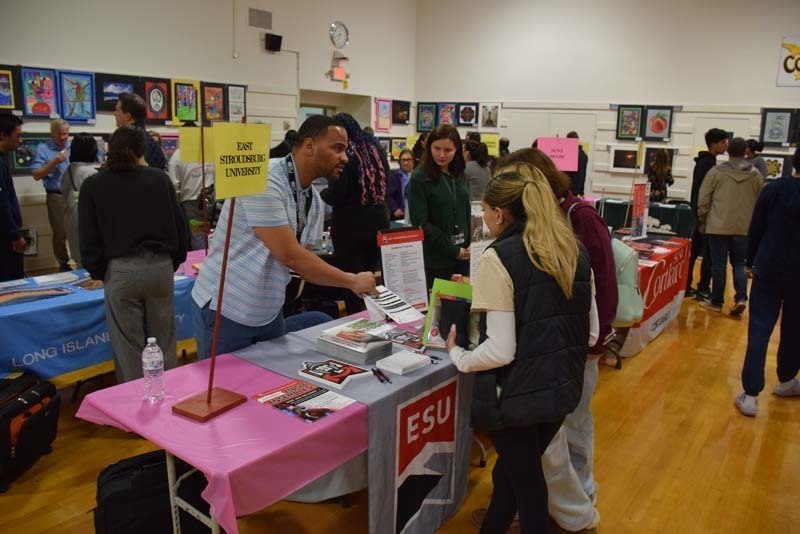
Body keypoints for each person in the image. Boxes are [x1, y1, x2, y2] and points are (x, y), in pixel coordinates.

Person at [446, 162, 593, 533]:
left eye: (485, 212)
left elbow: (499, 351)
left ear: (499, 212)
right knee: (511, 480)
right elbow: (589, 334)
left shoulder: (500, 258)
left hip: (513, 397)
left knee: (526, 488)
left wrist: (457, 355)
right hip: (561, 391)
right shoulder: (573, 250)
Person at [191, 115, 377, 359]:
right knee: (228, 392)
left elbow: (304, 265)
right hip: (227, 310)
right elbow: (290, 255)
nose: (345, 157)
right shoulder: (263, 179)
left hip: (268, 312)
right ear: (309, 146)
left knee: (267, 390)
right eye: (337, 148)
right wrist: (351, 281)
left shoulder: (315, 202)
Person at [498, 148, 613, 531]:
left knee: (573, 434)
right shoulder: (541, 222)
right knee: (550, 442)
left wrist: (591, 347)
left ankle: (580, 510)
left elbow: (603, 285)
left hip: (577, 349)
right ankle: (564, 509)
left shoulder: (580, 217)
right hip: (555, 347)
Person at [79, 126, 188, 383]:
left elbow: (88, 237)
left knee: (128, 348)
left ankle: (135, 413)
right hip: (160, 267)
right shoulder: (159, 179)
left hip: (121, 270)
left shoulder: (93, 185)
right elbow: (179, 227)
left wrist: (99, 272)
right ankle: (167, 402)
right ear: (142, 150)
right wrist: (172, 261)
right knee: (164, 342)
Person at [735, 150, 800, 416]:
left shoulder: (774, 190)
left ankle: (751, 394)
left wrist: (749, 261)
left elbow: (756, 228)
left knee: (760, 330)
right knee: (795, 328)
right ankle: (786, 379)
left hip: (769, 267)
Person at [321, 113, 390, 314]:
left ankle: (354, 321)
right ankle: (372, 317)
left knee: (352, 281)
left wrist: (322, 193)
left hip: (351, 226)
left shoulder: (346, 155)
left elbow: (337, 194)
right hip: (378, 220)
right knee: (369, 277)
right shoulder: (375, 150)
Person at [697, 137, 763, 315]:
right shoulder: (755, 174)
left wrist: (704, 219)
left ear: (728, 151)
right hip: (743, 227)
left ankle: (717, 301)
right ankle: (741, 298)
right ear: (745, 151)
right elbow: (759, 201)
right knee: (739, 264)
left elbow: (703, 199)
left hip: (718, 225)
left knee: (718, 265)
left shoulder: (716, 172)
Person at [406, 124, 471, 288]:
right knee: (440, 311)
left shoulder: (459, 174)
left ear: (457, 149)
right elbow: (421, 222)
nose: (441, 155)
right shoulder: (420, 178)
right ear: (429, 147)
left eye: (448, 150)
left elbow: (466, 210)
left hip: (464, 255)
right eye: (437, 148)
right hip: (436, 260)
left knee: (460, 309)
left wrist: (471, 243)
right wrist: (452, 250)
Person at [687, 128, 728, 299]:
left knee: (700, 252)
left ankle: (692, 285)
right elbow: (700, 193)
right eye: (724, 142)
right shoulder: (706, 164)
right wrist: (701, 216)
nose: (726, 145)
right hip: (704, 216)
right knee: (706, 253)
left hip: (703, 214)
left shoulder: (708, 162)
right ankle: (701, 286)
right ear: (714, 144)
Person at [31, 119, 71, 271]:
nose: (63, 138)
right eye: (59, 134)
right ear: (52, 133)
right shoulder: (43, 148)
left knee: (78, 229)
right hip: (56, 195)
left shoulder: (72, 146)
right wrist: (53, 162)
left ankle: (81, 261)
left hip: (75, 193)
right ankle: (64, 264)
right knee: (60, 233)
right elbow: (36, 174)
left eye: (66, 134)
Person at [61, 134, 98, 268]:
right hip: (87, 220)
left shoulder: (68, 171)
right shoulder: (91, 173)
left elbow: (64, 192)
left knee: (78, 257)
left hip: (71, 217)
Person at [168, 146, 215, 251]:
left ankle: (200, 261)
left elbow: (173, 185)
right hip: (213, 200)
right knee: (211, 234)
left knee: (197, 235)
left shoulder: (178, 155)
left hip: (191, 202)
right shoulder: (211, 151)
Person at [0, 114, 26, 282]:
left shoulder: (3, 160)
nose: (20, 140)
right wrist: (15, 235)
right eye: (17, 135)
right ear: (3, 135)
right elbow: (2, 203)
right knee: (11, 282)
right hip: (5, 238)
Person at [114, 93, 167, 170]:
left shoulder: (125, 144)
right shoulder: (154, 144)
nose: (114, 113)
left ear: (128, 116)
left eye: (117, 110)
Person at [386, 148, 414, 220]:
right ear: (400, 162)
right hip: (399, 215)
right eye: (403, 160)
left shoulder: (419, 176)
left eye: (408, 160)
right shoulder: (394, 177)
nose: (406, 163)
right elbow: (388, 195)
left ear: (413, 161)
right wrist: (395, 209)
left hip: (415, 215)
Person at [565, 132, 589, 197]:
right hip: (576, 189)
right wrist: (581, 191)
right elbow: (583, 174)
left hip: (567, 189)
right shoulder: (584, 155)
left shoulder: (569, 154)